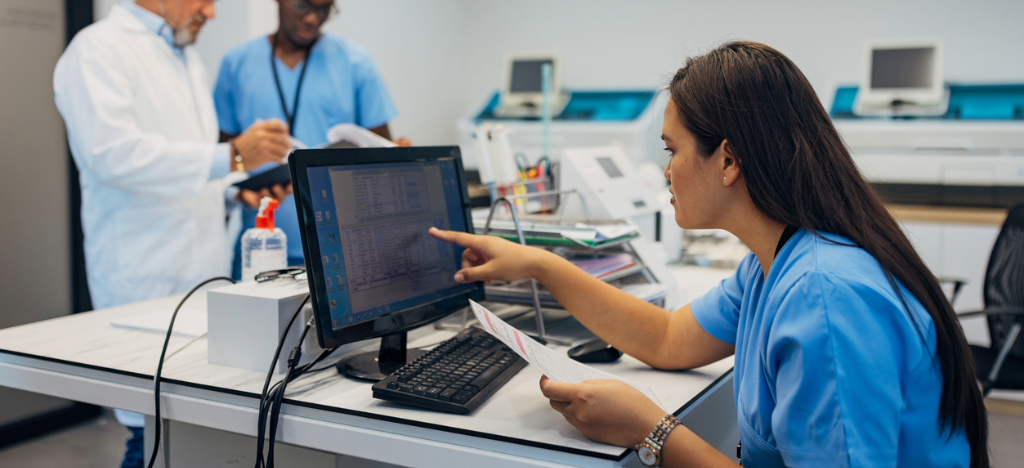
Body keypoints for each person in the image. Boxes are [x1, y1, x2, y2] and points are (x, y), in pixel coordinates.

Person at [429, 42, 988, 468]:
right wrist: (540, 264)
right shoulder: (776, 261)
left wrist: (651, 431)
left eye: (672, 150)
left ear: (728, 160)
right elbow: (669, 338)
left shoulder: (825, 297)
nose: (665, 169)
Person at [53, 1, 291, 466]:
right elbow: (113, 155)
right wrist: (231, 157)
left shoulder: (185, 57)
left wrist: (235, 187)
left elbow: (185, 163)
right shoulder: (97, 49)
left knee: (190, 430)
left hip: (201, 276)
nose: (212, 12)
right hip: (142, 275)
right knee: (151, 435)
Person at [214, 0, 401, 277]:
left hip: (341, 256)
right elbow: (222, 158)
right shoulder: (237, 63)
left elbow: (382, 154)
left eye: (325, 9)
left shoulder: (355, 62)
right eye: (303, 6)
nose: (314, 19)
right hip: (259, 251)